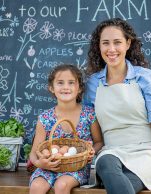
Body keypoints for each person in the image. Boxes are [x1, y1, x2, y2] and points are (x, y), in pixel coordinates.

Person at [84, 18, 151, 194]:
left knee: (120, 186)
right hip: (111, 151)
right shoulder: (93, 83)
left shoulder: (145, 77)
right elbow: (89, 123)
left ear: (128, 43)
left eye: (117, 42)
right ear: (99, 47)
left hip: (147, 153)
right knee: (105, 163)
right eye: (105, 43)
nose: (111, 49)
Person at [29, 64, 103, 194]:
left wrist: (92, 150)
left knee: (61, 185)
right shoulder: (45, 118)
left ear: (79, 88)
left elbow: (99, 142)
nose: (65, 87)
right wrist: (40, 164)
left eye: (71, 83)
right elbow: (34, 152)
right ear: (51, 88)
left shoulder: (89, 114)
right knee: (36, 187)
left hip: (76, 168)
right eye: (60, 83)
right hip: (48, 167)